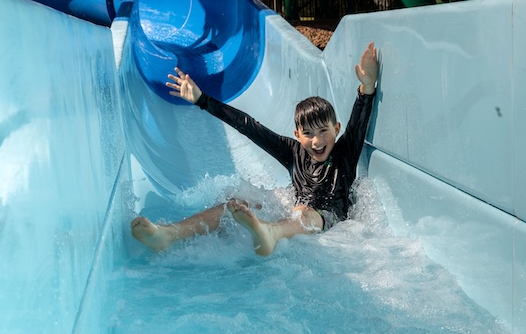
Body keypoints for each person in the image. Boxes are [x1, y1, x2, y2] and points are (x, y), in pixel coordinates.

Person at [131, 42, 378, 256]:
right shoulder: (293, 151)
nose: (316, 141)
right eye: (308, 134)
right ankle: (169, 234)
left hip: (328, 220)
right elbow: (248, 126)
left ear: (336, 128)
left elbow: (359, 121)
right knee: (237, 203)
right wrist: (202, 100)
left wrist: (366, 87)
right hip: (294, 214)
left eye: (323, 131)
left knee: (306, 213)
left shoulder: (345, 151)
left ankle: (271, 232)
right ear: (297, 135)